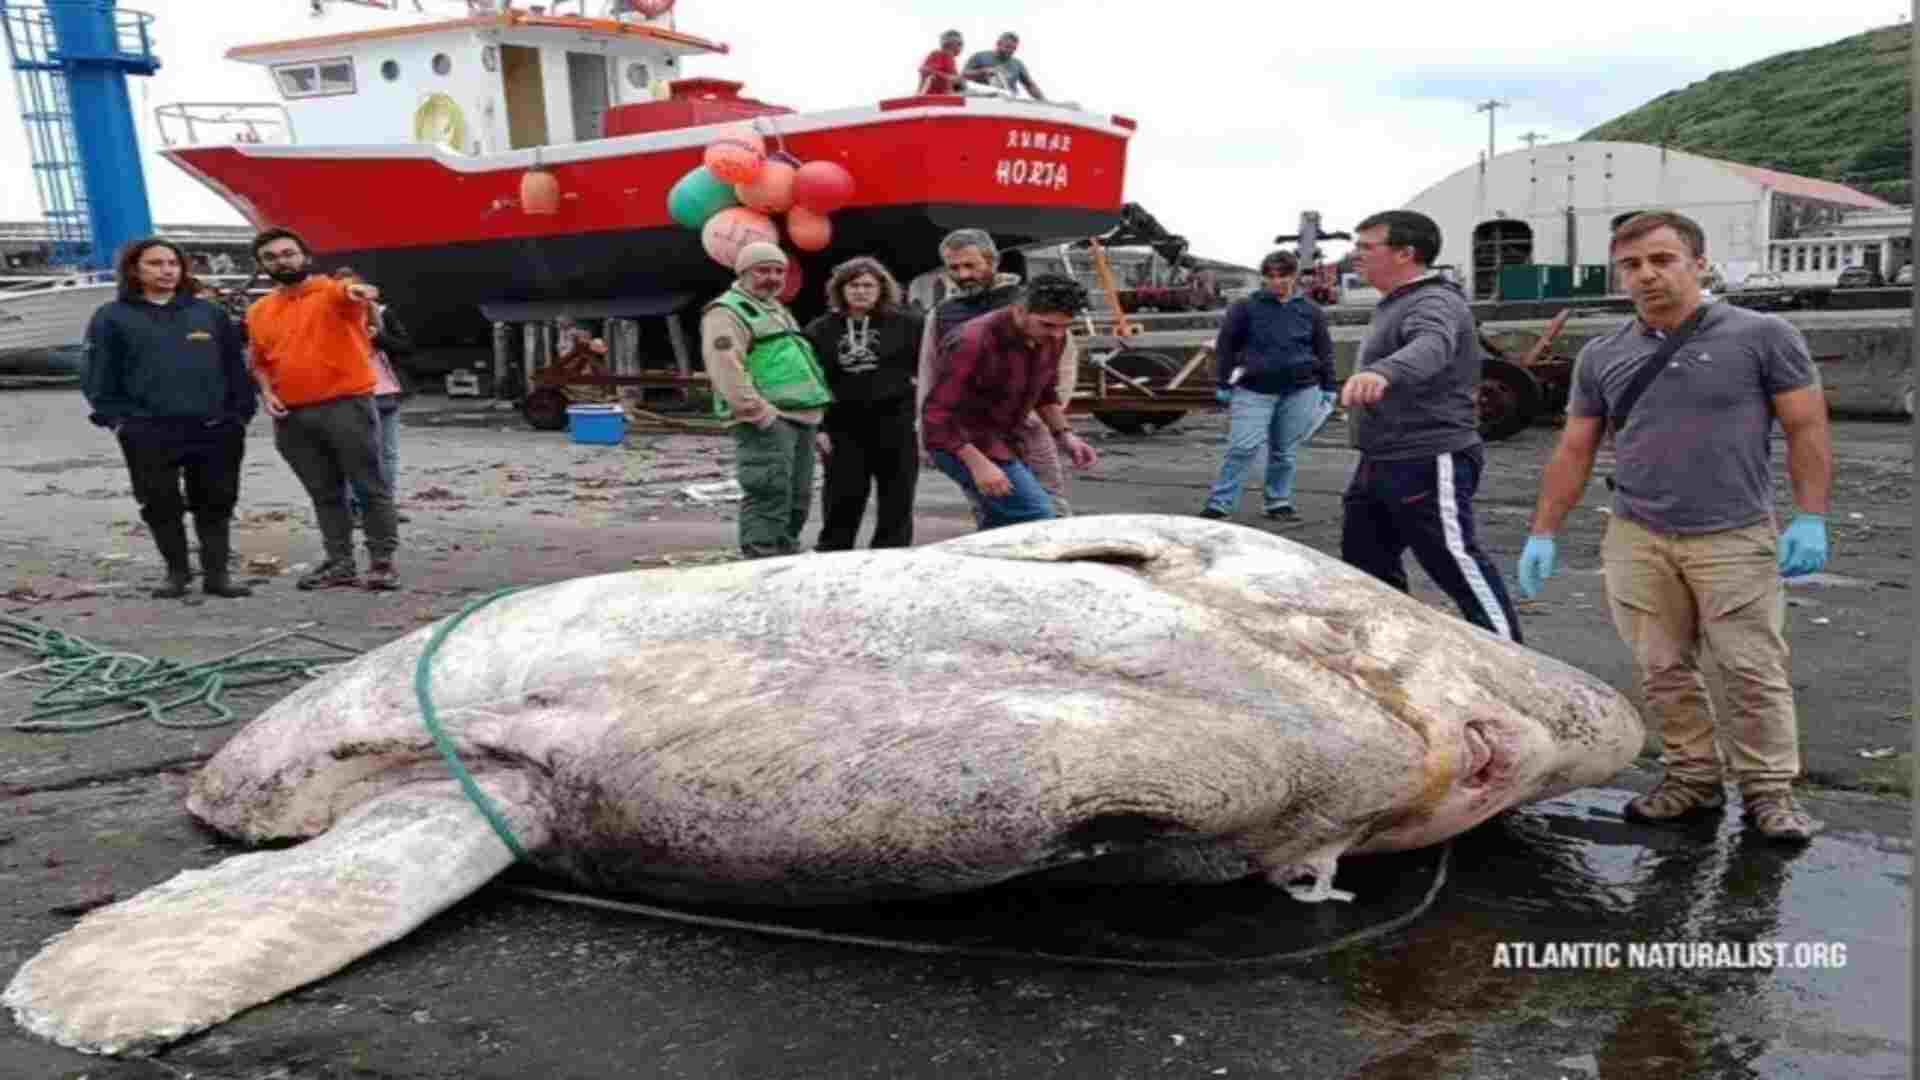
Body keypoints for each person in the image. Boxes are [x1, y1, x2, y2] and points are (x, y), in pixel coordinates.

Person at [1514, 210, 1832, 842]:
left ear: (1698, 262)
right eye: (1631, 265)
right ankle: (1692, 778)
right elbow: (1576, 448)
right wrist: (1543, 530)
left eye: (1663, 260)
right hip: (1637, 533)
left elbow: (1807, 428)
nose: (1646, 275)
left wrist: (1812, 517)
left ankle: (1769, 792)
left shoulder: (1763, 336)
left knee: (1750, 669)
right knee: (1661, 667)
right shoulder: (1604, 355)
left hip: (1734, 534)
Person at [1339, 209, 1521, 644]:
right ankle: (1386, 649)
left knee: (1454, 562)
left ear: (1406, 253)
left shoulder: (1434, 301)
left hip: (1426, 456)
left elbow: (1432, 346)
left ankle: (1515, 658)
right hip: (1381, 457)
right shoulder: (1396, 302)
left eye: (1367, 247)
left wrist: (1383, 372)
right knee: (1365, 563)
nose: (1355, 256)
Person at [80, 236, 257, 599]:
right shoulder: (112, 318)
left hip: (214, 427)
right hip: (148, 430)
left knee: (216, 502)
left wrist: (240, 414)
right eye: (155, 264)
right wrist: (118, 420)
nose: (166, 271)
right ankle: (176, 573)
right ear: (134, 270)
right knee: (159, 503)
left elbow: (235, 369)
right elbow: (97, 375)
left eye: (172, 264)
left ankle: (217, 575)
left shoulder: (208, 314)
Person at [245, 227, 400, 591]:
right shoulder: (259, 311)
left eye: (288, 253)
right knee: (324, 492)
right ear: (261, 265)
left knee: (369, 486)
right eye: (270, 257)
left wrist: (358, 292)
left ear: (305, 257)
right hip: (293, 416)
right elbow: (260, 362)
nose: (280, 261)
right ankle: (340, 563)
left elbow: (350, 294)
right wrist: (268, 393)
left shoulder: (331, 292)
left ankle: (382, 562)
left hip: (346, 405)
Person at [915, 228, 1080, 519]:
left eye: (971, 265)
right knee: (997, 505)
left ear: (992, 262)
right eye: (954, 267)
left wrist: (1058, 427)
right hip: (969, 430)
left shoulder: (1037, 309)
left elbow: (1055, 371)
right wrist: (927, 433)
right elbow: (929, 375)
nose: (963, 275)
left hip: (1028, 425)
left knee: (1049, 504)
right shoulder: (945, 316)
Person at [702, 240, 835, 559]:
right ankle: (761, 558)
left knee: (797, 497)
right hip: (766, 419)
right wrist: (759, 414)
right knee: (769, 492)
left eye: (779, 271)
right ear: (744, 272)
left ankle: (784, 555)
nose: (772, 277)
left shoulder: (775, 309)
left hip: (801, 418)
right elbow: (726, 368)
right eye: (763, 270)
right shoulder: (726, 312)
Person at [1199, 249, 1336, 523]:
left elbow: (1324, 350)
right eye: (1270, 276)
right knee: (1243, 447)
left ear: (1294, 276)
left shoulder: (1310, 311)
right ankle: (1220, 503)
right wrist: (1224, 381)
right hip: (1253, 389)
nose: (1277, 281)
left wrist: (1329, 386)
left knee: (1284, 451)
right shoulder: (1245, 307)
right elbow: (1226, 347)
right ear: (1263, 277)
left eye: (1283, 275)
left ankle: (1278, 501)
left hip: (1301, 390)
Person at [803, 256, 924, 550]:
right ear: (841, 290)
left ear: (881, 289)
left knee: (897, 495)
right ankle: (833, 552)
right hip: (844, 425)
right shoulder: (821, 329)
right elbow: (811, 380)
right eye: (853, 285)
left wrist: (924, 418)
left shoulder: (910, 324)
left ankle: (891, 554)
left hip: (896, 422)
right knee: (842, 495)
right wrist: (819, 426)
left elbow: (928, 369)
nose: (861, 291)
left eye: (868, 285)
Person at [333, 268, 413, 528]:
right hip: (353, 394)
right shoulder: (331, 320)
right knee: (359, 454)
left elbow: (406, 347)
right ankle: (357, 508)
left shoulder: (382, 314)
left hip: (386, 392)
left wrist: (378, 337)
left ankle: (382, 507)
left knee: (387, 454)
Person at [963, 32, 1044, 101]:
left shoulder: (1017, 64)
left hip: (1009, 102)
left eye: (1013, 48)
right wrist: (982, 72)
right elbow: (963, 75)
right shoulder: (980, 56)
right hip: (983, 99)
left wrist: (1043, 101)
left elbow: (1030, 85)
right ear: (998, 43)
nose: (1010, 51)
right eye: (1007, 47)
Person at [917, 30, 965, 94]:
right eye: (960, 44)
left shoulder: (951, 60)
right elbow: (925, 70)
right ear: (950, 43)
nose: (962, 48)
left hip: (946, 97)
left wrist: (959, 82)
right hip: (933, 96)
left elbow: (956, 84)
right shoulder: (938, 54)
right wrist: (947, 77)